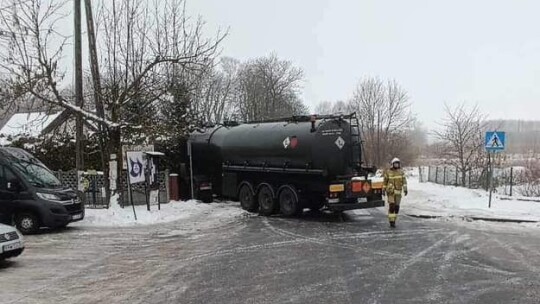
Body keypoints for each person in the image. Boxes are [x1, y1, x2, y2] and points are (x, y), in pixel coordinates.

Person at [382, 158, 408, 228]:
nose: (396, 165)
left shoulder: (401, 172)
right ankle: (391, 222)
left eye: (397, 164)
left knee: (397, 207)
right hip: (390, 192)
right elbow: (385, 182)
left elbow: (404, 182)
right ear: (392, 164)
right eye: (395, 164)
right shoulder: (388, 172)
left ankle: (394, 219)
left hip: (398, 193)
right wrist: (383, 190)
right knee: (392, 206)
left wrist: (405, 189)